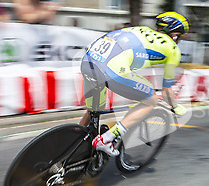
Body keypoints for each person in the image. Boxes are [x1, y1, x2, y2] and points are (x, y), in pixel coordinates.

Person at [80, 12, 189, 156]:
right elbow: (166, 90)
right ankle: (107, 139)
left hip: (88, 61)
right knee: (151, 100)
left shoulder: (141, 29)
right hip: (113, 69)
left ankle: (69, 142)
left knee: (93, 111)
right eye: (180, 37)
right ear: (175, 35)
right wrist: (176, 107)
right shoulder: (173, 49)